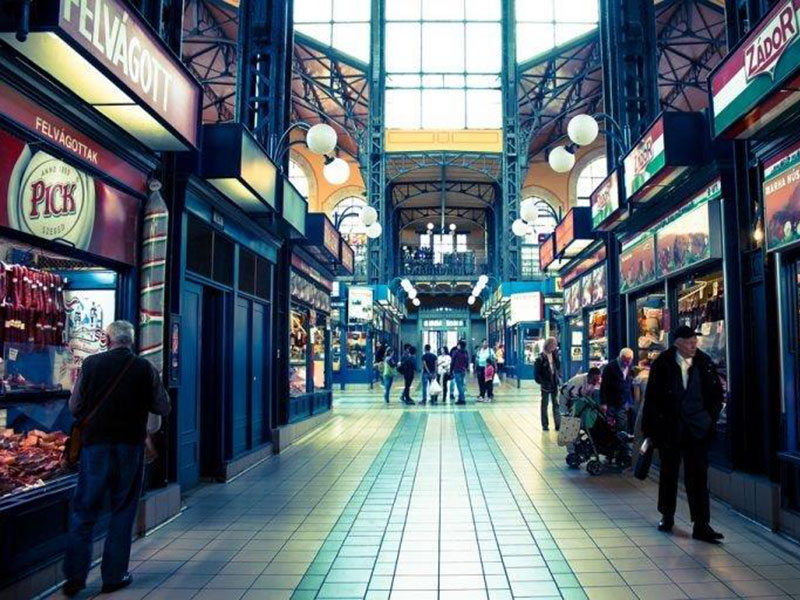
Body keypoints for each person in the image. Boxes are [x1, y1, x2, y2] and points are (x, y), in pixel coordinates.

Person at [62, 321, 171, 597]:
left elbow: (75, 406)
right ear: (131, 342)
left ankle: (75, 577)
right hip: (129, 446)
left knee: (84, 510)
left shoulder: (91, 365)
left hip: (95, 446)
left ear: (107, 339)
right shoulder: (144, 368)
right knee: (123, 510)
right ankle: (113, 576)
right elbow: (163, 406)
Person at [642, 325, 725, 543]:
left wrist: (709, 419)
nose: (694, 345)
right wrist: (651, 431)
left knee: (698, 476)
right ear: (678, 343)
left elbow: (716, 394)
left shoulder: (704, 362)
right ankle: (667, 515)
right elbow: (652, 398)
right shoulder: (663, 363)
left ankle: (701, 524)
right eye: (690, 342)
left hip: (697, 430)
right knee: (668, 473)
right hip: (670, 429)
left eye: (695, 342)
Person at [601, 348, 635, 434]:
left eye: (629, 361)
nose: (627, 364)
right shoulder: (609, 367)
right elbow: (604, 386)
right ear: (620, 358)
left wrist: (629, 401)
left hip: (623, 401)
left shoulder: (630, 367)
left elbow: (628, 383)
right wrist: (604, 403)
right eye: (625, 361)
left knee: (622, 424)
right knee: (609, 424)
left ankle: (621, 442)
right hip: (611, 401)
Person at [534, 337, 561, 431]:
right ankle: (545, 424)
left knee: (556, 404)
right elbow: (536, 373)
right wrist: (542, 382)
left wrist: (556, 356)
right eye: (554, 345)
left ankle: (558, 424)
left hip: (554, 382)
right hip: (545, 383)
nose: (555, 347)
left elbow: (558, 366)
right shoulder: (540, 357)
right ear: (549, 345)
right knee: (544, 404)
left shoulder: (554, 355)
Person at [451, 341, 469, 405]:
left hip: (457, 370)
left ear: (460, 345)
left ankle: (463, 399)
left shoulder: (456, 352)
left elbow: (452, 362)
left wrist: (451, 370)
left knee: (459, 386)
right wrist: (466, 368)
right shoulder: (465, 352)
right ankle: (460, 398)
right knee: (461, 385)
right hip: (463, 371)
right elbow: (467, 361)